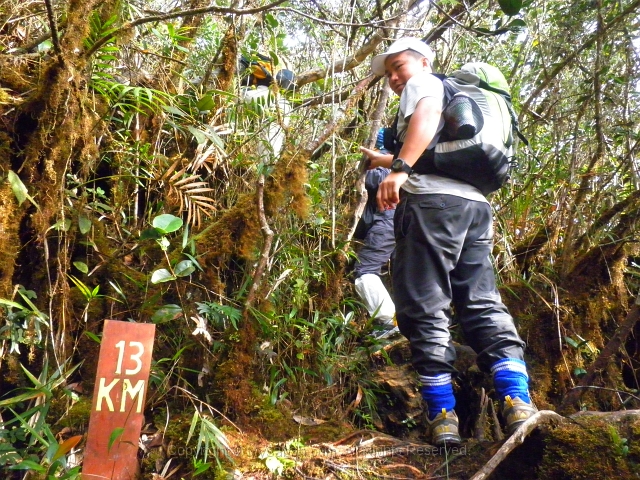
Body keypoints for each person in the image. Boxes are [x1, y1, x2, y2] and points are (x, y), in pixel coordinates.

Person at [371, 37, 537, 447]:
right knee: (480, 301)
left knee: (424, 303)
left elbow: (425, 115)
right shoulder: (463, 97)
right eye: (388, 72)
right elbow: (434, 142)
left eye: (399, 66)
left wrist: (400, 170)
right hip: (475, 207)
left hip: (432, 204)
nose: (394, 77)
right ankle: (517, 400)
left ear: (423, 61)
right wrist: (387, 160)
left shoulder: (425, 83)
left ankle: (442, 413)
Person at [354, 129, 399, 340]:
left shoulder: (382, 166)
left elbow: (369, 182)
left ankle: (387, 322)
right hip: (397, 225)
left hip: (386, 224)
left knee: (365, 270)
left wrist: (368, 163)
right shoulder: (401, 165)